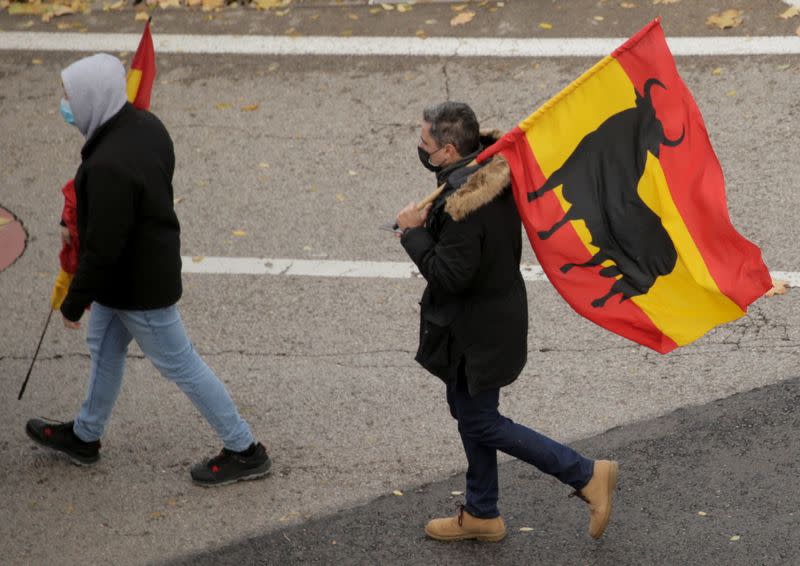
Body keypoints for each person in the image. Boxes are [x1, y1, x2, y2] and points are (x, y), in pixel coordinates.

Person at [25, 53, 271, 487]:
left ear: (93, 98)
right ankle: (85, 435)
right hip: (136, 272)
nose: (66, 104)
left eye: (70, 96)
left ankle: (244, 449)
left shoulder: (107, 165)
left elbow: (102, 250)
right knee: (104, 347)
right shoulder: (146, 126)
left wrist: (73, 302)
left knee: (182, 365)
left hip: (137, 287)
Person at [395, 101, 618, 542]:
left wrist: (413, 234)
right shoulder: (482, 176)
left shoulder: (464, 205)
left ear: (449, 149)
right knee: (468, 411)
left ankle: (587, 475)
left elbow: (449, 276)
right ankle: (482, 512)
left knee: (480, 421)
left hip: (477, 332)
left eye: (425, 142)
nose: (420, 148)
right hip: (483, 323)